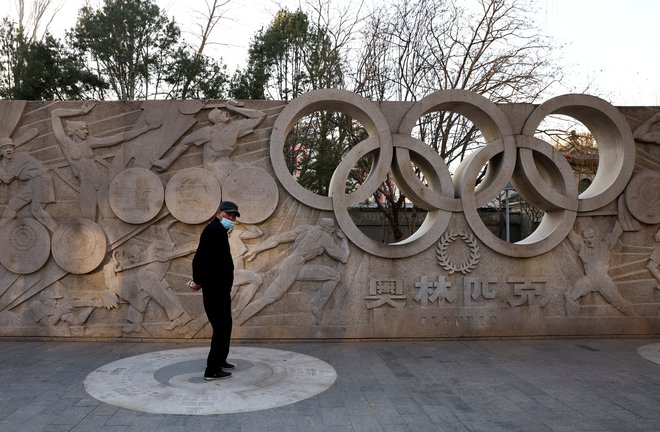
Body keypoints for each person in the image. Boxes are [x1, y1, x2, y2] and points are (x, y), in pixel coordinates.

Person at [238, 218, 350, 325]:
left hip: (297, 265)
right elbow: (344, 257)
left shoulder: (306, 228)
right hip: (291, 268)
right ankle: (238, 321)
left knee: (334, 275)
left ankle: (317, 308)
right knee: (267, 299)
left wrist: (256, 250)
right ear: (326, 228)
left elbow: (276, 239)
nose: (333, 231)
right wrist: (344, 239)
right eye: (332, 228)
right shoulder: (325, 237)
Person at [189, 200, 240, 380]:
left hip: (221, 289)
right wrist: (197, 281)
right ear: (220, 213)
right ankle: (212, 370)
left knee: (226, 326)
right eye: (229, 215)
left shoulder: (219, 230)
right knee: (221, 327)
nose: (232, 218)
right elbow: (199, 259)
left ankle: (221, 360)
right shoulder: (213, 230)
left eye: (234, 216)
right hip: (215, 290)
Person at [565, 220, 636, 316]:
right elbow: (572, 236)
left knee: (619, 302)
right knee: (570, 296)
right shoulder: (582, 247)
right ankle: (571, 321)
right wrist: (566, 220)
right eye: (586, 238)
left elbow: (616, 232)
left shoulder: (605, 245)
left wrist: (623, 216)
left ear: (597, 236)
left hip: (603, 281)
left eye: (591, 237)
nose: (588, 240)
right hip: (588, 280)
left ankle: (634, 316)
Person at [0, 137, 57, 232]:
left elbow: (6, 178)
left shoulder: (20, 158)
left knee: (37, 210)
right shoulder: (10, 162)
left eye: (10, 147)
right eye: (5, 148)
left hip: (41, 180)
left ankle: (57, 232)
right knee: (13, 204)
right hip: (33, 183)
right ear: (1, 152)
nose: (8, 150)